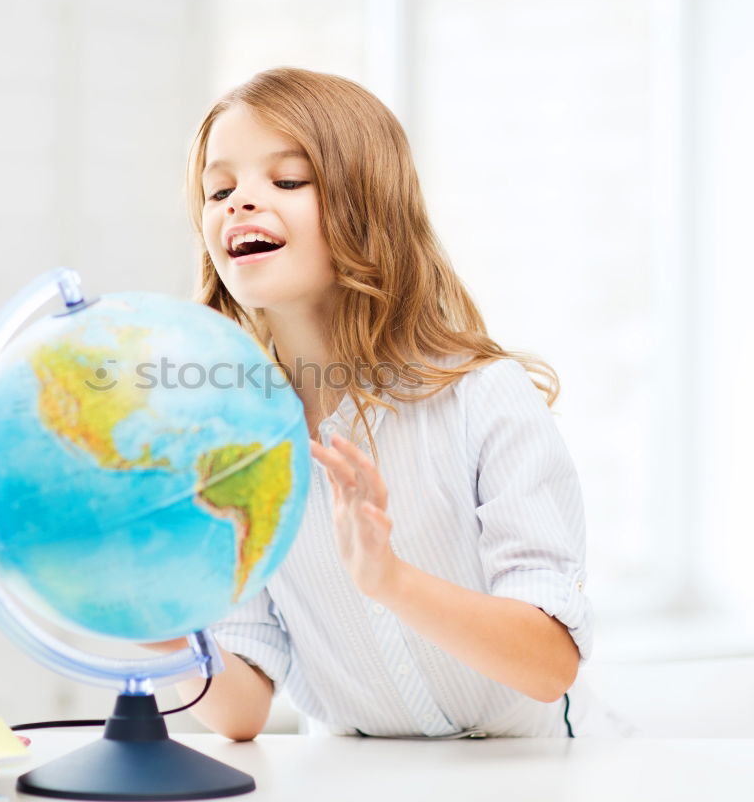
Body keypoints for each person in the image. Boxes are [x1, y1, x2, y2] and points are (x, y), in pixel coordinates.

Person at [145, 67, 608, 740]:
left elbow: (549, 665)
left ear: (367, 208)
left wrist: (388, 578)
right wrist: (158, 621)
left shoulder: (482, 397)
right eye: (219, 190)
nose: (239, 203)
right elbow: (239, 712)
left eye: (287, 181)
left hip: (529, 771)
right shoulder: (229, 443)